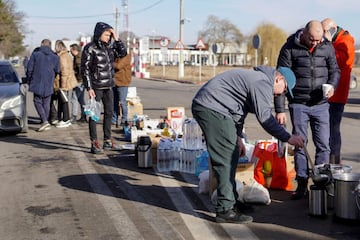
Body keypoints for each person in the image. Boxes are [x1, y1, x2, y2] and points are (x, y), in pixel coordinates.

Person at [192, 66, 304, 224]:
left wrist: (238, 136)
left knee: (233, 153)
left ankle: (231, 201)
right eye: (284, 90)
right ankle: (225, 209)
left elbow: (239, 111)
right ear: (279, 79)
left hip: (217, 108)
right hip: (211, 108)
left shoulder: (257, 80)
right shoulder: (262, 82)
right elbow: (265, 118)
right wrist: (288, 137)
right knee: (226, 158)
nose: (280, 94)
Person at [276, 20, 340, 200]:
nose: (315, 43)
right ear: (303, 34)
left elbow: (335, 71)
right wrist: (280, 109)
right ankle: (302, 183)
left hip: (321, 104)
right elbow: (279, 78)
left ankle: (322, 183)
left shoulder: (326, 47)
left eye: (318, 40)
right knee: (300, 144)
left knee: (323, 145)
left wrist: (333, 85)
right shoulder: (289, 47)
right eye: (312, 39)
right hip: (298, 103)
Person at [81, 22, 127, 154]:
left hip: (109, 86)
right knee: (94, 115)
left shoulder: (109, 48)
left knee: (109, 113)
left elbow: (123, 53)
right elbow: (85, 69)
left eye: (109, 35)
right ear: (99, 34)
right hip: (96, 87)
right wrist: (89, 87)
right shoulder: (90, 48)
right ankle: (94, 142)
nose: (108, 37)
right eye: (106, 34)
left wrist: (116, 38)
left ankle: (107, 140)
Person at [321, 18, 355, 164]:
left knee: (333, 130)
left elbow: (337, 60)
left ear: (332, 29)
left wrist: (327, 45)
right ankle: (329, 161)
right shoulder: (339, 41)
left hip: (337, 94)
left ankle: (334, 162)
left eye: (324, 31)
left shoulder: (345, 41)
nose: (323, 35)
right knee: (327, 130)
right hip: (332, 93)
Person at [26, 39, 60, 132]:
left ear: (41, 44)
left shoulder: (35, 54)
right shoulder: (55, 56)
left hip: (37, 81)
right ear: (50, 45)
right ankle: (45, 120)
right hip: (49, 82)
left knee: (37, 101)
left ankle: (44, 121)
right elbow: (58, 70)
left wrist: (29, 80)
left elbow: (29, 69)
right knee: (46, 102)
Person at [53, 40, 78, 128]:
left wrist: (63, 86)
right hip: (68, 81)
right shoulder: (67, 55)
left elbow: (64, 72)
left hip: (65, 82)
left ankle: (66, 119)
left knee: (64, 101)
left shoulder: (62, 57)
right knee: (63, 100)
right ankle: (63, 119)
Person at [112, 51, 132, 129]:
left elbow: (118, 66)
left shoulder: (125, 57)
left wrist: (110, 62)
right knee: (114, 102)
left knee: (122, 102)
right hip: (115, 82)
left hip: (123, 83)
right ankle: (114, 119)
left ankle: (124, 119)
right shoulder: (116, 57)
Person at [70, 43, 87, 123]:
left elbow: (81, 71)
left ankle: (74, 116)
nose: (70, 52)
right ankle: (84, 115)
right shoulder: (78, 57)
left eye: (71, 51)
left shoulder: (78, 58)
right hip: (81, 81)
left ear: (74, 50)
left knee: (74, 98)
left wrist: (77, 80)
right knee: (81, 99)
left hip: (79, 81)